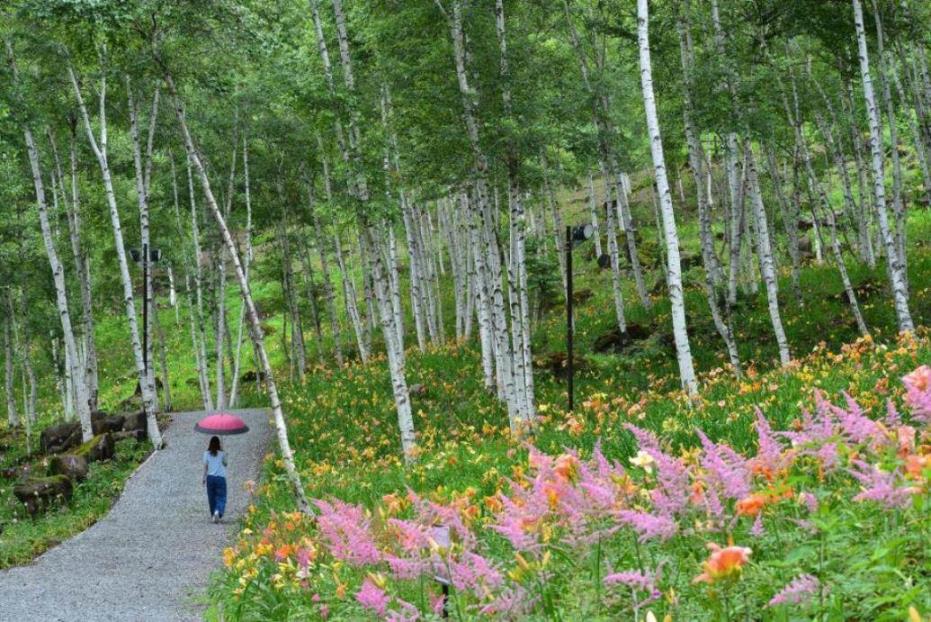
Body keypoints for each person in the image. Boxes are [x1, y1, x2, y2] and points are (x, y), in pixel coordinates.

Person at [202, 436, 228, 523]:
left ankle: (213, 513)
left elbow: (206, 467)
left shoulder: (206, 453)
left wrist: (204, 478)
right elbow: (225, 464)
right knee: (221, 496)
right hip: (220, 478)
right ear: (219, 444)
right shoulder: (222, 453)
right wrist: (224, 453)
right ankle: (218, 511)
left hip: (210, 478)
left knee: (211, 497)